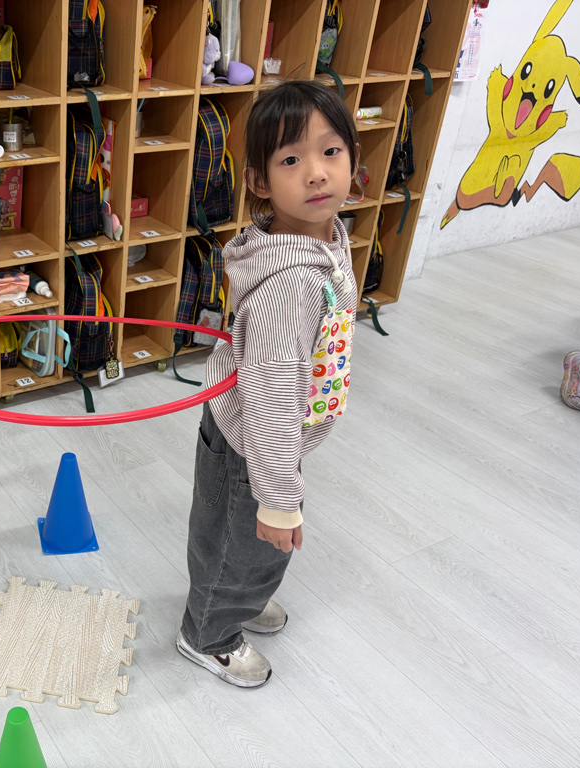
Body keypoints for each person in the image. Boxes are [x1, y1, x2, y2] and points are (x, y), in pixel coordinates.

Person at [178, 80, 360, 687]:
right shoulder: (292, 282)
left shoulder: (324, 240)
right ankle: (208, 633)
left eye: (330, 151)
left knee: (250, 544)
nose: (316, 173)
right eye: (290, 160)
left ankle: (240, 596)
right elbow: (274, 390)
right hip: (254, 435)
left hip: (272, 433)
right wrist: (279, 494)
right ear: (259, 181)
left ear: (353, 158)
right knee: (246, 540)